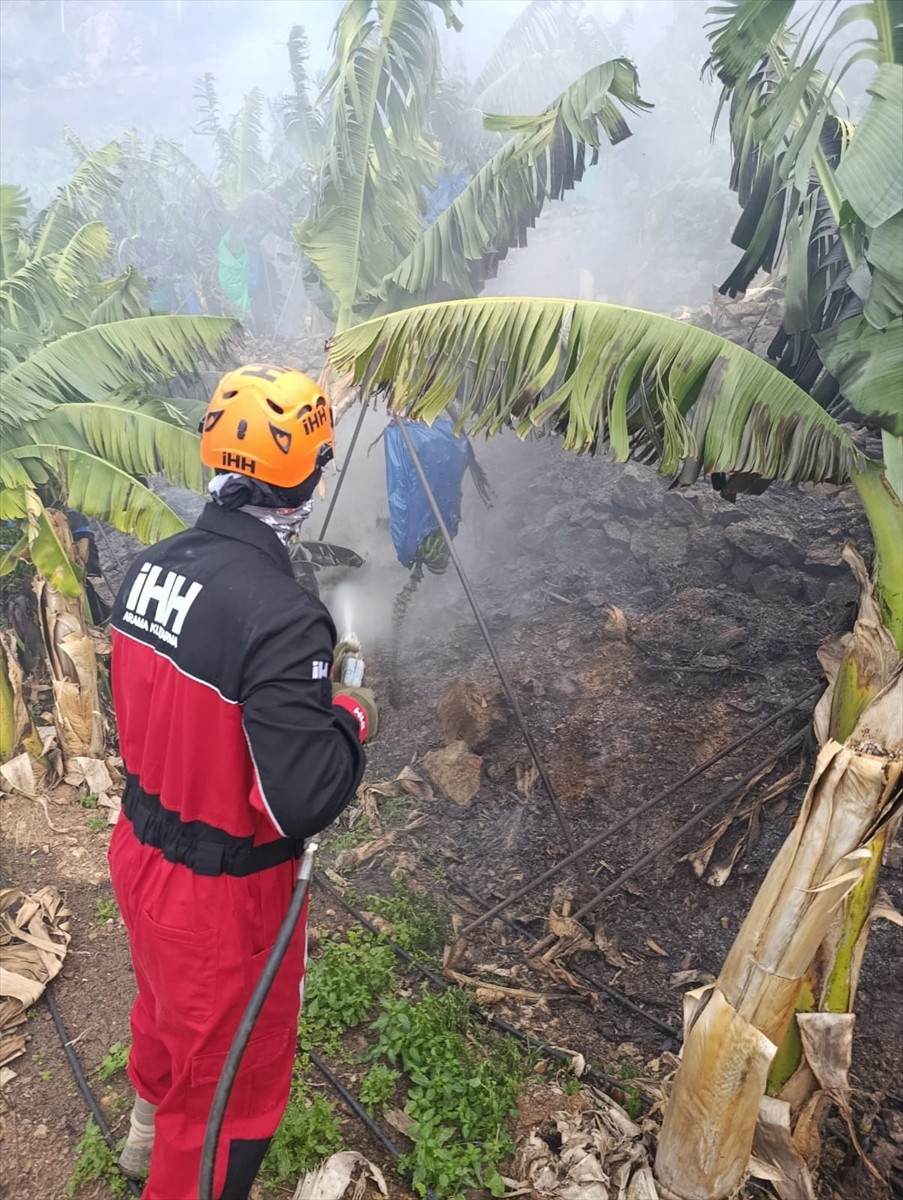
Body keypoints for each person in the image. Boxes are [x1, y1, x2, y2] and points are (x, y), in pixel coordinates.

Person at [108, 364, 377, 1200]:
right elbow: (301, 798)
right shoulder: (282, 616)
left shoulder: (148, 569)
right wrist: (348, 717)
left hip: (141, 850)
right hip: (221, 901)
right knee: (229, 1098)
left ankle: (142, 1133)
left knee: (164, 1009)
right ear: (309, 475)